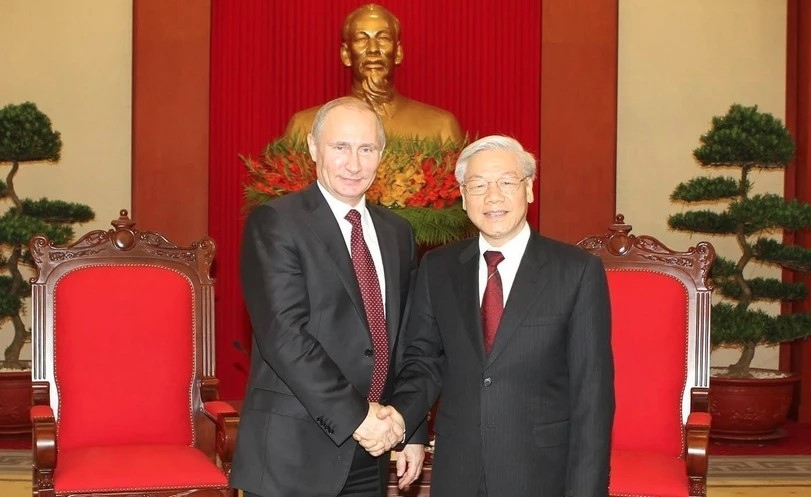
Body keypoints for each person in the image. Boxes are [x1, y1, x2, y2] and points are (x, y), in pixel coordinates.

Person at [378, 135, 615, 497]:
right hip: (458, 469)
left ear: (529, 189)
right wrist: (411, 430)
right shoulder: (438, 268)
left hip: (540, 472)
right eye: (478, 185)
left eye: (506, 182)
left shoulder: (576, 272)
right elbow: (421, 360)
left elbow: (592, 395)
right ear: (462, 195)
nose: (492, 197)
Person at [231, 96, 427, 497]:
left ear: (381, 154)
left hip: (370, 454)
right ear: (314, 148)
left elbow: (408, 339)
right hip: (294, 456)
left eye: (366, 149)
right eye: (340, 147)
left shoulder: (398, 233)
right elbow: (285, 337)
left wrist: (410, 424)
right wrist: (357, 417)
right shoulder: (277, 224)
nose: (354, 164)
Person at [284, 3, 464, 144]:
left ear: (398, 52)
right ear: (346, 54)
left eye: (383, 38)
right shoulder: (305, 127)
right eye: (362, 39)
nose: (373, 49)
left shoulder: (440, 127)